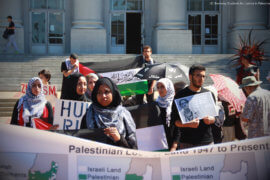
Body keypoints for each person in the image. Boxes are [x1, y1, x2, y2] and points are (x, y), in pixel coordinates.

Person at [81, 77, 137, 149]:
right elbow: (81, 143)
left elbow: (133, 148)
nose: (103, 96)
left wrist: (119, 139)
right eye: (99, 92)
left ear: (113, 93)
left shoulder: (124, 114)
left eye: (106, 92)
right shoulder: (89, 114)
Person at [170, 64, 216, 151]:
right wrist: (188, 124)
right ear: (190, 76)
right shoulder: (180, 95)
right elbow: (174, 121)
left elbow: (215, 118)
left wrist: (211, 119)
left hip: (207, 142)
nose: (201, 79)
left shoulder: (209, 94)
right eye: (198, 75)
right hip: (187, 143)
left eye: (203, 76)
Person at [156, 78, 175, 147]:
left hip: (175, 142)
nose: (160, 90)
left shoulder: (175, 103)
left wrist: (174, 145)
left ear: (168, 87)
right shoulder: (156, 104)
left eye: (162, 87)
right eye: (158, 87)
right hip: (162, 142)